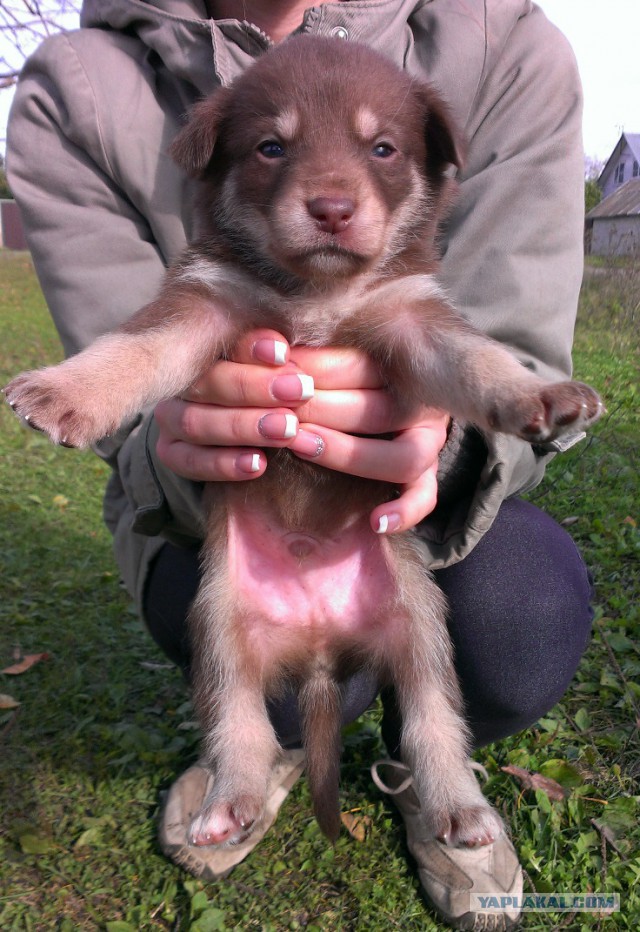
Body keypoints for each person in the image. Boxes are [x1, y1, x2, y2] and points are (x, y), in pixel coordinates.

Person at [7, 1, 594, 928]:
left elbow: (454, 353)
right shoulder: (95, 105)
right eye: (274, 150)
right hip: (240, 521)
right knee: (227, 616)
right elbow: (158, 344)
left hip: (386, 535)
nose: (333, 188)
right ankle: (242, 767)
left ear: (430, 163)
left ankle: (447, 788)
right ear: (222, 166)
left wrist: (504, 403)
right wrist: (104, 397)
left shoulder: (495, 49)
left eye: (381, 151)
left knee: (425, 643)